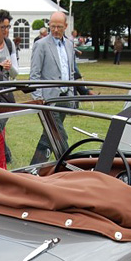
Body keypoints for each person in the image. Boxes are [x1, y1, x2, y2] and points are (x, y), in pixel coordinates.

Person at [29, 10, 87, 163]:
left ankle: (35, 166)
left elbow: (71, 70)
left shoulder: (69, 44)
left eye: (59, 27)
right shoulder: (40, 45)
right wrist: (38, 99)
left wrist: (73, 95)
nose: (55, 30)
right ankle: (70, 164)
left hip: (64, 97)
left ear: (65, 26)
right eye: (52, 26)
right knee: (59, 134)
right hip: (48, 100)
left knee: (48, 135)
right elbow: (34, 75)